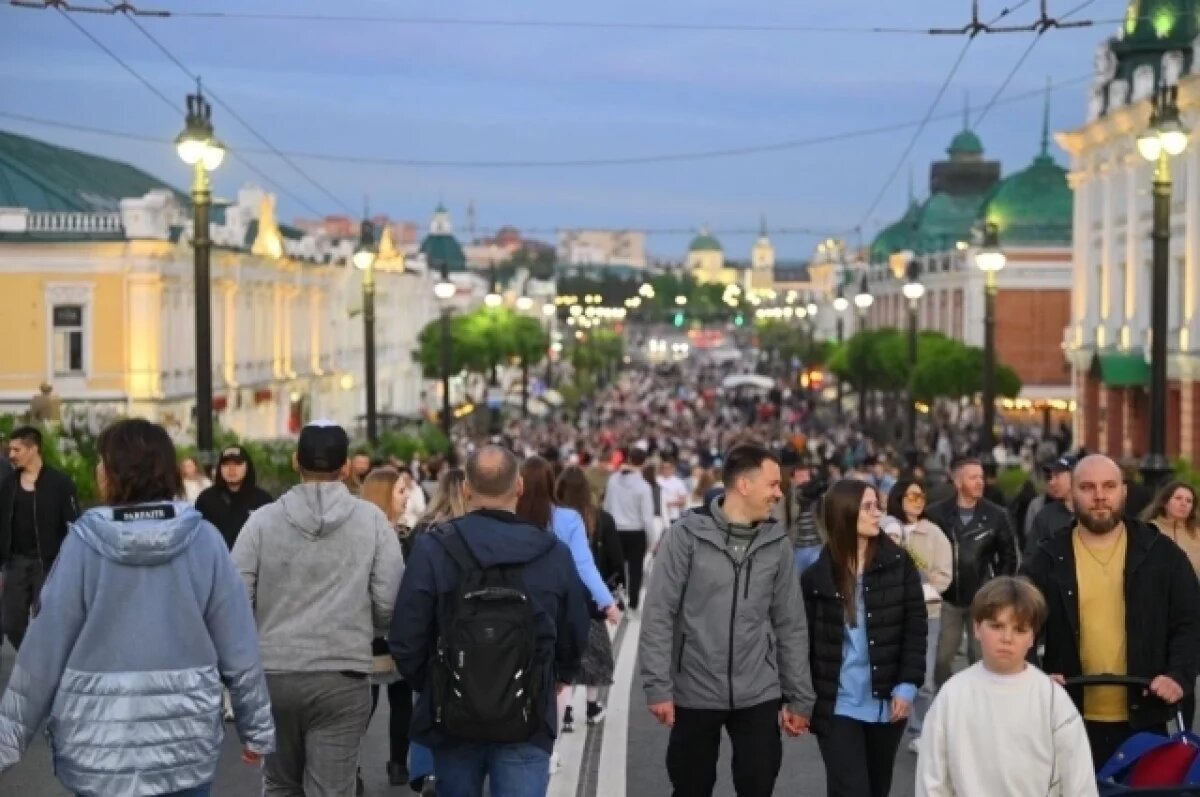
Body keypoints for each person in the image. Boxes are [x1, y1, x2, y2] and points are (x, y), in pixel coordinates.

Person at [0, 419, 274, 796]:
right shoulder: (204, 541)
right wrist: (256, 727)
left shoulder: (85, 544)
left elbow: (43, 649)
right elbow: (238, 645)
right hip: (184, 744)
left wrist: (7, 741)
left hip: (100, 747)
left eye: (102, 461)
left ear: (115, 471)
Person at [390, 445, 590, 797]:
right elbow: (575, 627)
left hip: (453, 708)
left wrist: (435, 680)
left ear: (466, 489)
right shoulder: (552, 551)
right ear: (519, 488)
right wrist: (559, 674)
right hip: (528, 705)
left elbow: (406, 634)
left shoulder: (435, 547)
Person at [232, 421, 405, 797]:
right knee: (332, 789)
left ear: (296, 461)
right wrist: (365, 629)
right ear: (345, 468)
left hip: (275, 672)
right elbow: (390, 601)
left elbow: (234, 601)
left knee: (279, 783)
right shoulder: (372, 522)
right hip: (342, 674)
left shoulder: (261, 523)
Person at [640, 443, 815, 797]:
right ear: (744, 485)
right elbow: (659, 612)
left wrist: (799, 698)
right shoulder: (685, 536)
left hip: (758, 689)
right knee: (692, 786)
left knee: (758, 784)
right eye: (773, 485)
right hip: (695, 687)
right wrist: (658, 685)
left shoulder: (777, 543)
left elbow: (790, 624)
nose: (779, 494)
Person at [1021, 454, 1200, 769]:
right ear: (1071, 493)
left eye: (1109, 486)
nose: (1100, 496)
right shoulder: (1047, 557)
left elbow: (1190, 622)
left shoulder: (1162, 555)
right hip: (1069, 716)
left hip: (1148, 717)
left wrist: (1178, 676)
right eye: (1088, 487)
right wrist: (1034, 674)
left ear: (1124, 492)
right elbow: (1018, 622)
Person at [914, 577, 1098, 797]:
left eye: (1020, 630)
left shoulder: (1051, 700)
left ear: (1032, 638)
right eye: (996, 626)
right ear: (976, 628)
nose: (1007, 638)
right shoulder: (952, 695)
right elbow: (932, 778)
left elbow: (1079, 783)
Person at [802, 479, 926, 797]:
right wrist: (798, 698)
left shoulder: (899, 564)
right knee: (851, 789)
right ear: (844, 513)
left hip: (887, 701)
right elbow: (804, 642)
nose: (878, 514)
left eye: (878, 506)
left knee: (876, 788)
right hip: (838, 703)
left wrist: (907, 685)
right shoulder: (816, 577)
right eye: (868, 507)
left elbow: (915, 628)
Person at [925, 457, 1019, 688]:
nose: (980, 482)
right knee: (941, 657)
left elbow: (1009, 556)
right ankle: (945, 700)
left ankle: (981, 700)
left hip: (983, 598)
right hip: (948, 597)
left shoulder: (997, 515)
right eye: (973, 477)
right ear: (958, 482)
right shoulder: (936, 514)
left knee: (980, 656)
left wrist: (997, 588)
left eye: (981, 477)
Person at [881, 477, 952, 752]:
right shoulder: (883, 528)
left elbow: (945, 574)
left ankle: (921, 730)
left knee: (924, 674)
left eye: (921, 496)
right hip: (890, 610)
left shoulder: (933, 533)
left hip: (926, 612)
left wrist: (926, 589)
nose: (917, 501)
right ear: (898, 498)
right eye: (911, 496)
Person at [556, 466, 625, 732]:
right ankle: (593, 705)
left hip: (563, 594)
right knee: (595, 652)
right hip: (594, 597)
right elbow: (615, 559)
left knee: (566, 650)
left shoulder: (553, 517)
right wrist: (613, 595)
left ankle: (567, 709)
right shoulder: (601, 519)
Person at [360, 467, 416, 788]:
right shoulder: (376, 537)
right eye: (400, 491)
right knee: (365, 701)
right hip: (374, 632)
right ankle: (356, 764)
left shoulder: (407, 535)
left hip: (396, 632)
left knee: (400, 698)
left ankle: (398, 762)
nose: (407, 497)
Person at [0, 426, 79, 651]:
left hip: (49, 563)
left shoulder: (60, 484)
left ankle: (42, 665)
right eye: (10, 450)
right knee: (12, 623)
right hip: (15, 563)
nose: (11, 455)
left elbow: (74, 524)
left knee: (46, 621)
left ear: (33, 449)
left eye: (17, 449)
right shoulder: (7, 485)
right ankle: (33, 659)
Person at [603, 447, 656, 610]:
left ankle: (617, 600)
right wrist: (652, 539)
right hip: (635, 531)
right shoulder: (643, 486)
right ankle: (633, 603)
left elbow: (607, 506)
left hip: (616, 529)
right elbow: (647, 516)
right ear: (644, 463)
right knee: (635, 570)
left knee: (616, 567)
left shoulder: (612, 480)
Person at [195, 444, 273, 550]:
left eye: (237, 463)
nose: (231, 469)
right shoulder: (206, 499)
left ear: (247, 466)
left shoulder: (262, 500)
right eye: (226, 464)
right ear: (219, 468)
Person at [778, 459, 825, 574]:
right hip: (798, 548)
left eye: (806, 475)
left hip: (818, 546)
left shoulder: (818, 496)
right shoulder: (788, 498)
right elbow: (782, 523)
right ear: (792, 479)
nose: (804, 479)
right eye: (800, 476)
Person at [1143, 480, 1200, 575]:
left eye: (1189, 501)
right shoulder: (1150, 530)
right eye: (1178, 498)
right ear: (1165, 502)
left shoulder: (1197, 533)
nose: (1183, 504)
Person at [1024, 457, 1075, 560]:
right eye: (1050, 477)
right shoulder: (1045, 516)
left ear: (1074, 476)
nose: (1051, 482)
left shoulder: (1090, 514)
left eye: (1057, 476)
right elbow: (1030, 557)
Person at [657, 459, 689, 526]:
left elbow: (683, 501)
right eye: (663, 468)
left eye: (668, 468)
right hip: (659, 517)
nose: (665, 470)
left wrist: (670, 504)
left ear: (672, 469)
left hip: (673, 516)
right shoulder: (657, 480)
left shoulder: (678, 482)